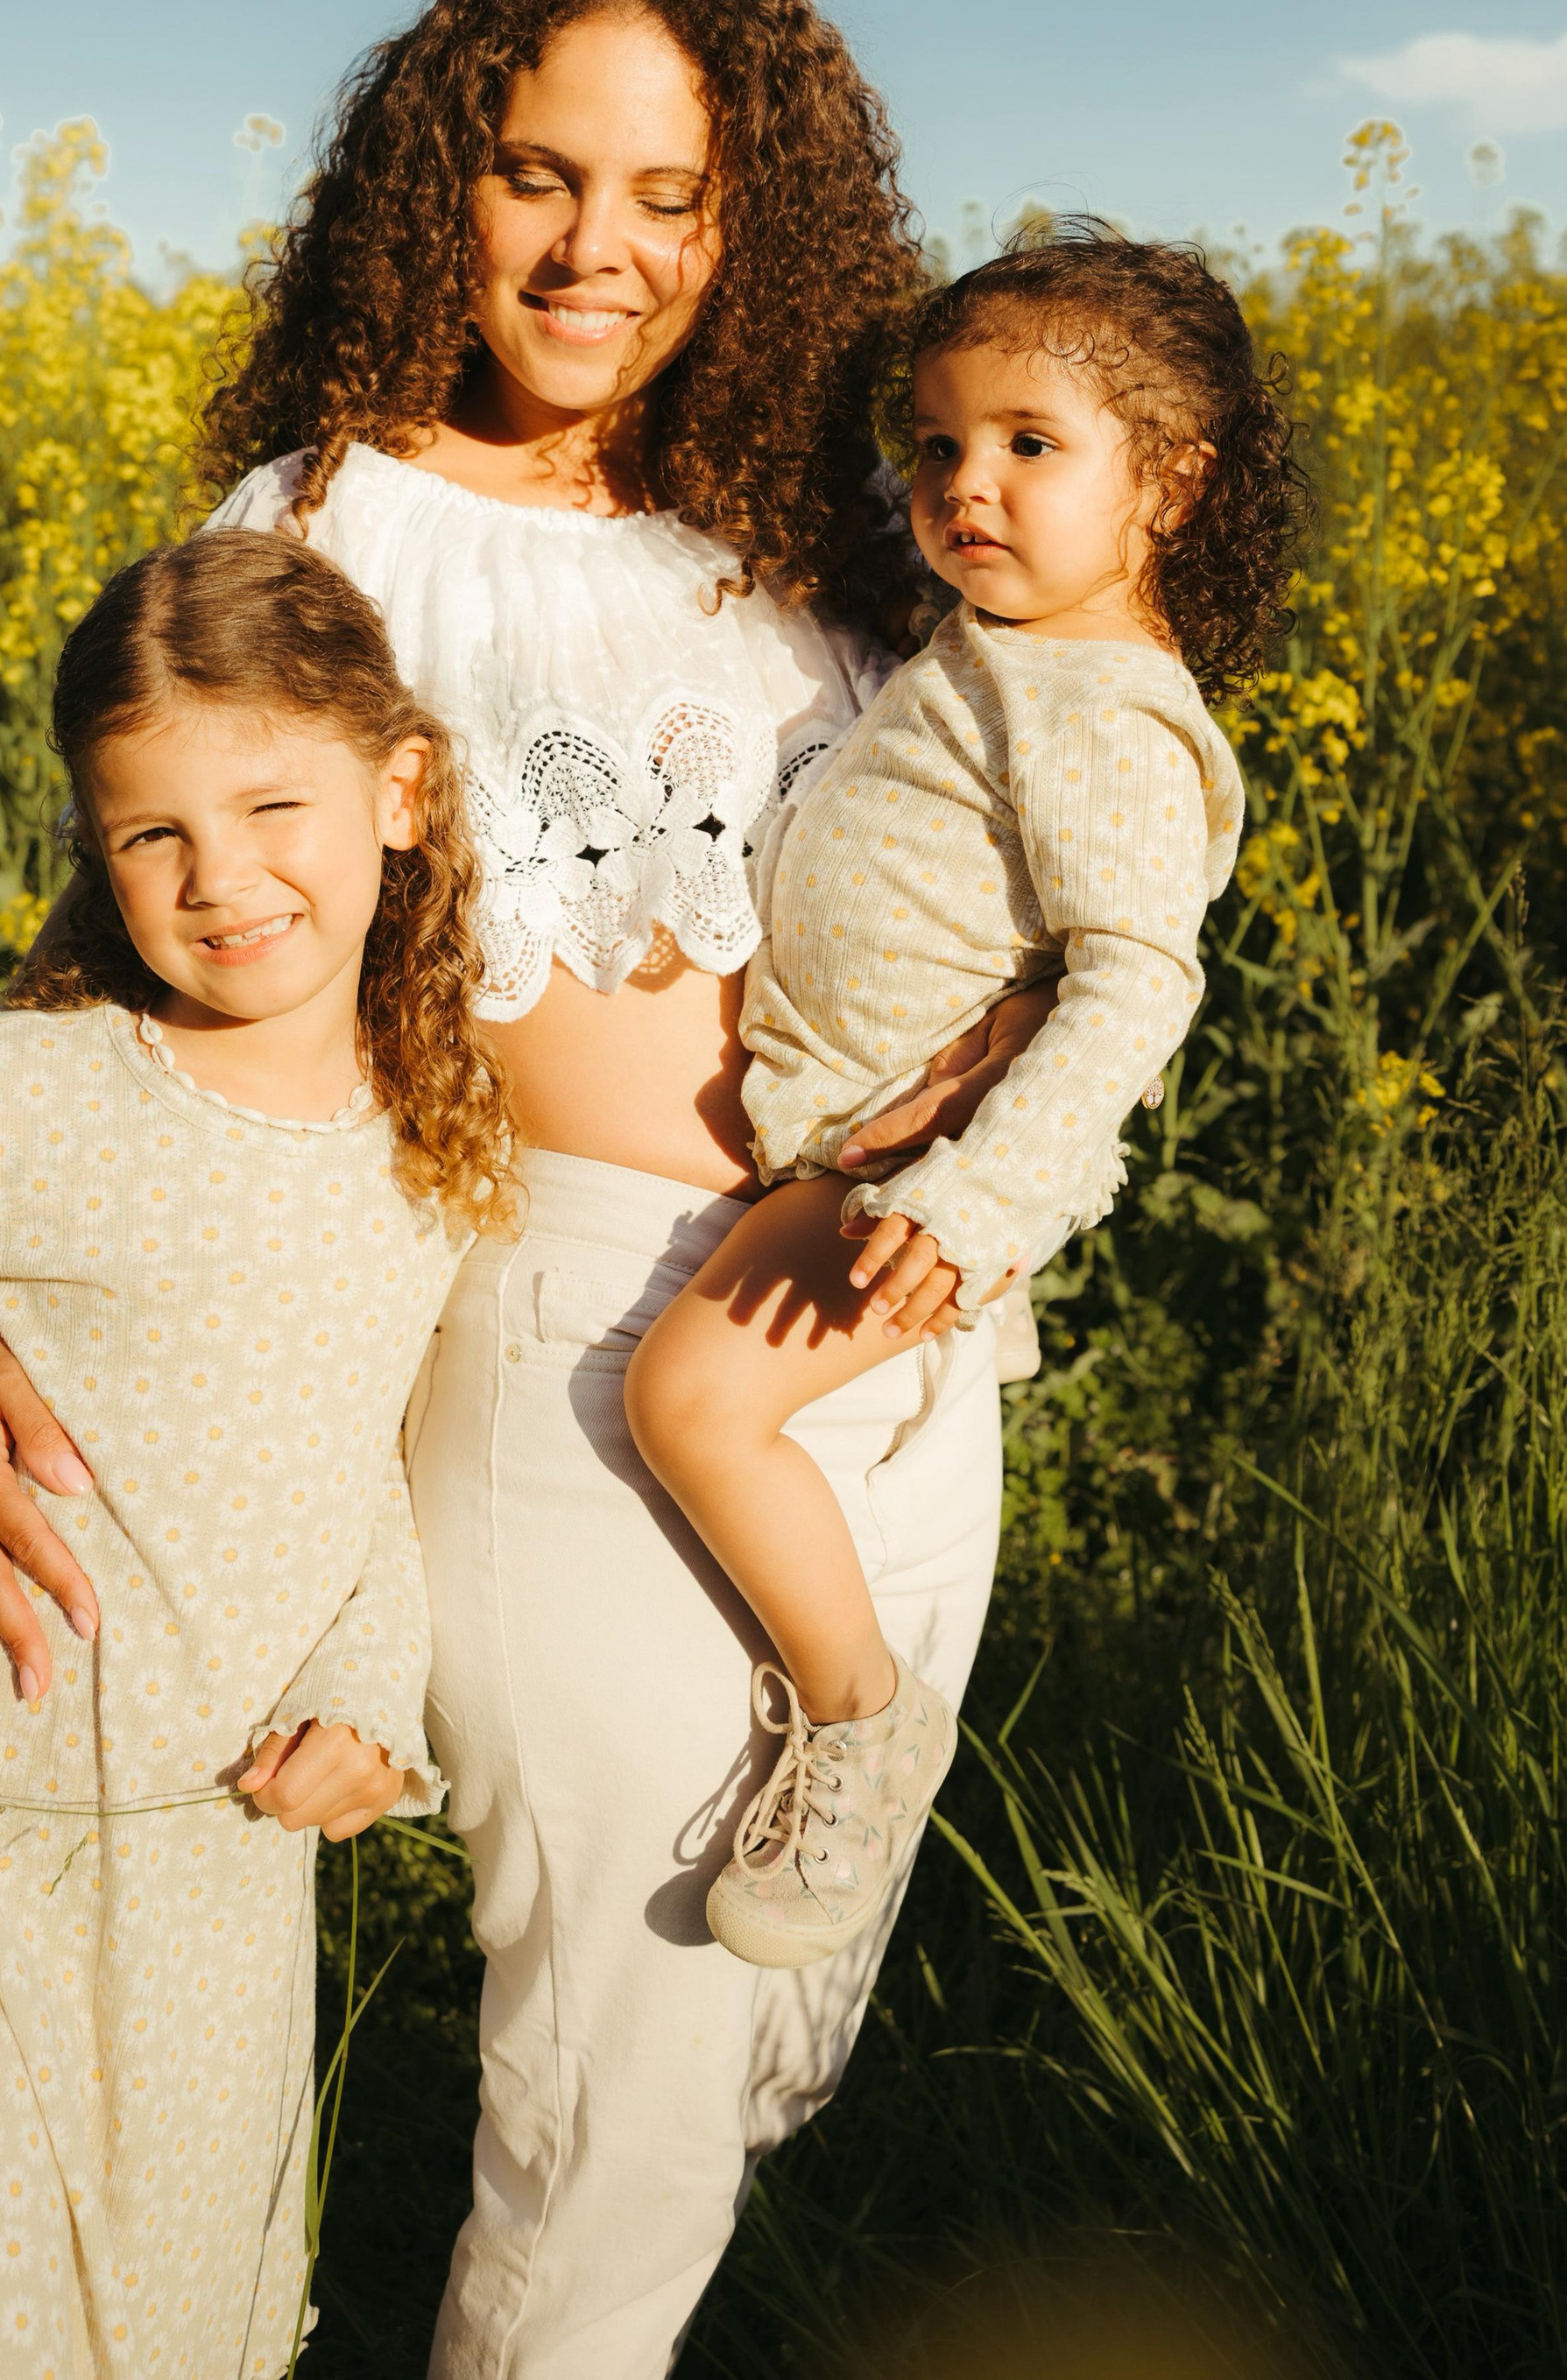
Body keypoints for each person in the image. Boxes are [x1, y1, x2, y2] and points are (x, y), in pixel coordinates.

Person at [0, 0, 1057, 2379]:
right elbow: (149, 930)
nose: (600, 250)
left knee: (769, 2040)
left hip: (907, 1327)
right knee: (617, 2109)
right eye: (541, 176)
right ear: (448, 183)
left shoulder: (835, 540)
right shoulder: (332, 524)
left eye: (672, 194)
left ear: (752, 228)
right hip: (592, 1341)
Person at [0, 531, 516, 2379]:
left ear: (397, 792)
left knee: (194, 2342)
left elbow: (358, 1485)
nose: (219, 880)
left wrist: (367, 1708)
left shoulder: (435, 1147)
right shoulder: (15, 1092)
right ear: (96, 845)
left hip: (226, 1869)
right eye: (151, 834)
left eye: (269, 806)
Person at [626, 227, 1297, 1968]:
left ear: (1170, 481)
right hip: (859, 1136)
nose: (958, 485)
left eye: (1025, 445)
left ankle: (859, 1722)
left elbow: (1136, 978)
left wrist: (973, 1205)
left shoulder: (1103, 708)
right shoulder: (1002, 641)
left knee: (688, 1402)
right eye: (931, 445)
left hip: (909, 1163)